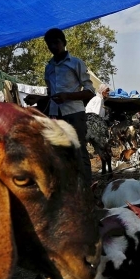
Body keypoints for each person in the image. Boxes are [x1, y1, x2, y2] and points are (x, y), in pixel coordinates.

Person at [43, 28, 94, 186]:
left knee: (79, 151)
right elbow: (51, 94)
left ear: (64, 43)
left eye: (56, 42)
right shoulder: (49, 68)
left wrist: (68, 96)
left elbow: (90, 92)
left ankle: (87, 190)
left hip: (74, 113)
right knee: (61, 153)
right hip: (55, 116)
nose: (53, 46)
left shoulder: (76, 63)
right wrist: (40, 99)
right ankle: (70, 190)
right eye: (50, 44)